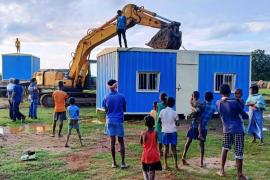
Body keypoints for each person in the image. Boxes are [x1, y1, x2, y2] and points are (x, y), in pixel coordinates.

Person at [216, 84, 249, 180]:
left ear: (220, 93)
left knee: (225, 148)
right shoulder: (235, 103)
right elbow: (245, 116)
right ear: (230, 92)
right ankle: (239, 175)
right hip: (238, 129)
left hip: (226, 129)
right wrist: (239, 103)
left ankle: (221, 170)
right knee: (238, 151)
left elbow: (221, 107)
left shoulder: (218, 103)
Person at [182, 92, 215, 167]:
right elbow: (209, 117)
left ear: (204, 97)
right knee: (202, 145)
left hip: (194, 125)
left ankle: (183, 156)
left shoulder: (202, 104)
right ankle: (201, 162)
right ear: (212, 98)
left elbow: (195, 110)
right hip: (203, 127)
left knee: (188, 141)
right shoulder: (213, 108)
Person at [102, 79, 128, 169]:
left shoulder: (106, 97)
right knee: (121, 142)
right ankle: (123, 163)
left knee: (112, 142)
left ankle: (113, 163)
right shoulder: (122, 96)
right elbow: (124, 109)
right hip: (119, 120)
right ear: (116, 86)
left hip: (110, 121)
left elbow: (105, 110)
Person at [159, 97, 179, 169]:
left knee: (165, 148)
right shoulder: (174, 112)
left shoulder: (162, 111)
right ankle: (176, 165)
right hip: (173, 131)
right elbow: (177, 123)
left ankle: (165, 165)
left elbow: (159, 121)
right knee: (173, 148)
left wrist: (163, 126)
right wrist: (176, 121)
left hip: (165, 131)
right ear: (173, 104)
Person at [141, 115, 162, 180]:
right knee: (152, 171)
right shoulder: (156, 132)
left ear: (145, 124)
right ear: (153, 123)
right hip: (154, 154)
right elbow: (156, 141)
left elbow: (141, 143)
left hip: (146, 155)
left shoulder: (144, 133)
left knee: (144, 170)